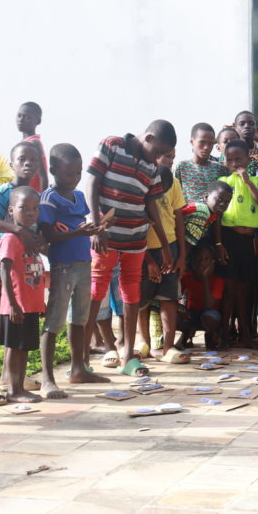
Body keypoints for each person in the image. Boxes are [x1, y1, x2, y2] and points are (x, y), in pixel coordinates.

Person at [85, 120, 175, 377]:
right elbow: (91, 182)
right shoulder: (111, 146)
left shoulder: (152, 167)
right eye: (157, 151)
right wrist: (96, 224)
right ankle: (81, 359)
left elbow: (151, 205)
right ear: (148, 138)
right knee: (96, 290)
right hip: (105, 237)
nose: (158, 157)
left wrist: (165, 245)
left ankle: (128, 357)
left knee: (132, 291)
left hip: (136, 239)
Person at [38, 143, 109, 395]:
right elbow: (46, 236)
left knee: (79, 318)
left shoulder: (79, 197)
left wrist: (97, 230)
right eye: (70, 173)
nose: (75, 178)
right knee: (54, 321)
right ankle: (47, 379)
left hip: (83, 263)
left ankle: (79, 368)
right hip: (62, 266)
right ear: (54, 170)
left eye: (79, 173)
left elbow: (87, 221)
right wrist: (78, 232)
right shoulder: (49, 198)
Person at [0, 142, 44, 405]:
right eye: (22, 159)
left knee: (16, 332)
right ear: (12, 164)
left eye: (33, 160)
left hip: (22, 272)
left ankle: (12, 378)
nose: (28, 163)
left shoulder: (32, 195)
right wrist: (16, 230)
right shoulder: (6, 191)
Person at [216, 139, 258, 347]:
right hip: (230, 239)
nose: (235, 163)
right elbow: (218, 217)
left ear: (248, 158)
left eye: (239, 158)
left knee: (246, 289)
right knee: (230, 288)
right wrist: (219, 244)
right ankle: (224, 333)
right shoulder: (224, 181)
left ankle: (245, 333)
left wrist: (248, 182)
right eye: (230, 159)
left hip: (249, 241)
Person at [139, 151, 189, 364]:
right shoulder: (141, 182)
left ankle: (168, 347)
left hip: (171, 247)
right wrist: (148, 259)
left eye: (172, 156)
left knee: (169, 296)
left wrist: (182, 255)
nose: (168, 160)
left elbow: (179, 218)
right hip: (144, 250)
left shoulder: (174, 182)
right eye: (164, 155)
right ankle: (144, 344)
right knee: (141, 299)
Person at [0, 186, 47, 403]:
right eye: (23, 208)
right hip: (16, 306)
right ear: (11, 210)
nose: (30, 213)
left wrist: (40, 303)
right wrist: (13, 304)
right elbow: (5, 271)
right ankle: (14, 389)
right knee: (14, 348)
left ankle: (19, 388)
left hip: (31, 305)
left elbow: (35, 271)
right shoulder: (10, 238)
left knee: (24, 347)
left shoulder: (31, 239)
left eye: (35, 208)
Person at [177, 243, 224, 350]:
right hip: (192, 313)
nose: (202, 262)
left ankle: (211, 334)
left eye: (206, 259)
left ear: (213, 262)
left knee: (209, 316)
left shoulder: (218, 280)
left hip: (210, 315)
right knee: (175, 315)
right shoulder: (187, 277)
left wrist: (205, 278)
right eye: (198, 259)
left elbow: (208, 306)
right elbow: (175, 297)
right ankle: (187, 333)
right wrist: (180, 308)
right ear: (192, 262)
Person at [175, 122, 229, 203]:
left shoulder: (220, 169)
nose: (206, 147)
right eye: (202, 142)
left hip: (216, 215)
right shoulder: (182, 167)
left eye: (210, 143)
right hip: (189, 214)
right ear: (192, 142)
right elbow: (175, 197)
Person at [183, 181, 233, 249]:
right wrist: (182, 258)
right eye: (219, 199)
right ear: (206, 197)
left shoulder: (213, 212)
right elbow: (188, 244)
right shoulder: (202, 213)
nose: (223, 204)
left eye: (227, 202)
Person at [17, 101, 48, 192]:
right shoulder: (22, 145)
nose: (21, 120)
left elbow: (43, 176)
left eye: (27, 117)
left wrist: (43, 201)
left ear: (38, 121)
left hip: (32, 198)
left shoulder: (34, 143)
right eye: (19, 116)